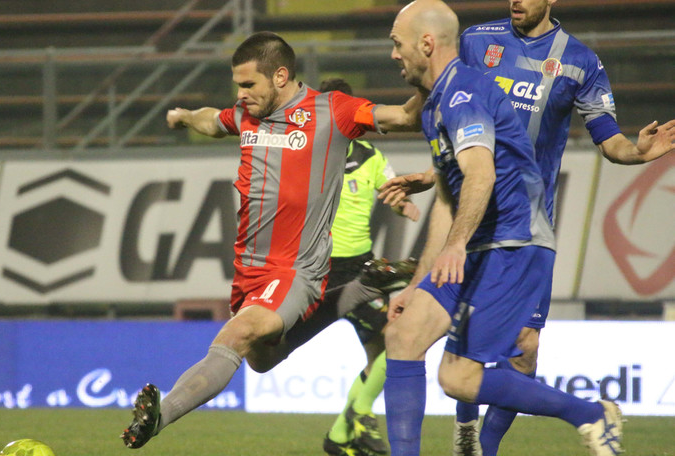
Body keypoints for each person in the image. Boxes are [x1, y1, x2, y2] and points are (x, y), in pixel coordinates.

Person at [380, 1, 675, 454]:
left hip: (517, 230)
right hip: (473, 222)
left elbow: (601, 139)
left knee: (517, 353)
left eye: (398, 44)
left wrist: (635, 153)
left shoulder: (577, 61)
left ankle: (499, 441)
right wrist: (421, 278)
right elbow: (459, 178)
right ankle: (468, 434)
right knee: (405, 335)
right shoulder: (473, 50)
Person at [119, 31, 423, 451]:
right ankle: (361, 288)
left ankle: (158, 418)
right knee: (262, 361)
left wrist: (433, 78)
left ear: (280, 75)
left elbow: (405, 117)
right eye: (237, 86)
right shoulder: (247, 114)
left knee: (237, 334)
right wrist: (187, 116)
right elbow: (214, 120)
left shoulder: (332, 110)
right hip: (250, 269)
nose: (241, 95)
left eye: (248, 85)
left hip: (297, 268)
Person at [317, 78, 419, 456]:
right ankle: (361, 413)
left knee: (382, 350)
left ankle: (339, 437)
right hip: (328, 271)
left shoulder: (371, 156)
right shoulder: (310, 154)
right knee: (398, 339)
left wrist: (401, 203)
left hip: (363, 266)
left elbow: (390, 187)